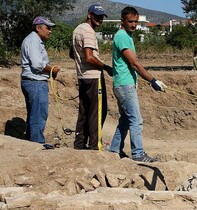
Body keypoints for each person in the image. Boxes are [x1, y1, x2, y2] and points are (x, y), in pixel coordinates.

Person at [108, 6, 167, 163]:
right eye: (130, 21)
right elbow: (134, 63)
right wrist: (152, 80)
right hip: (125, 85)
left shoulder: (126, 36)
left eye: (135, 21)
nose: (134, 24)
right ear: (123, 21)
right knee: (136, 120)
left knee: (126, 120)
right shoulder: (122, 37)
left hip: (124, 84)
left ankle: (114, 149)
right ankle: (138, 154)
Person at [70, 3, 113, 150]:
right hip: (93, 77)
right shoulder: (88, 31)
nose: (100, 19)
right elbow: (89, 57)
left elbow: (72, 54)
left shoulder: (77, 29)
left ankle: (80, 144)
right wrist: (106, 67)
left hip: (82, 76)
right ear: (90, 15)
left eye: (101, 17)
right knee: (97, 112)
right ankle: (95, 146)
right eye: (97, 16)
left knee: (84, 112)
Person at [20, 16, 60, 146]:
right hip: (35, 82)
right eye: (47, 28)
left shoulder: (35, 40)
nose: (50, 31)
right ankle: (37, 144)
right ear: (38, 28)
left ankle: (32, 143)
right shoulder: (33, 41)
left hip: (34, 81)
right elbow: (37, 65)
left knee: (34, 114)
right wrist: (52, 70)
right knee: (38, 115)